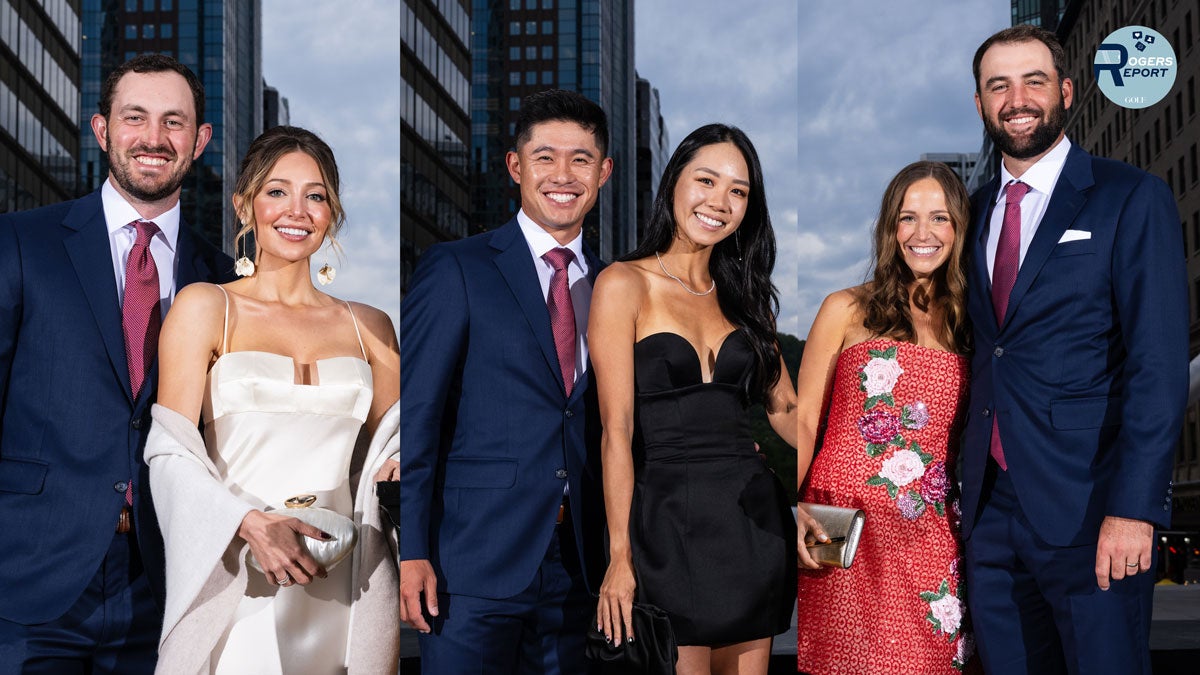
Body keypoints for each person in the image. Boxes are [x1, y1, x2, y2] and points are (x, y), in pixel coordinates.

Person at [960, 25, 1186, 675]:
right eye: (998, 85)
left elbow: (1159, 365)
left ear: (1065, 91)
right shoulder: (968, 213)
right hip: (990, 515)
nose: (1017, 98)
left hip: (1094, 509)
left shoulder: (1130, 197)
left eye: (1033, 80)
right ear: (979, 104)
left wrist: (1134, 508)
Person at [0, 54, 233, 672]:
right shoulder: (22, 244)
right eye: (136, 118)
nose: (154, 139)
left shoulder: (226, 281)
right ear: (103, 130)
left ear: (200, 141)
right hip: (29, 582)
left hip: (164, 585)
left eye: (174, 122)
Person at [144, 125, 401, 673]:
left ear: (333, 212)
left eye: (316, 196)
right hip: (237, 574)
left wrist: (402, 465)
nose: (298, 211)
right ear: (245, 205)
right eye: (277, 191)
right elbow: (170, 451)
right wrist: (247, 524)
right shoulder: (205, 306)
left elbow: (394, 452)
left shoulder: (371, 326)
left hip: (346, 577)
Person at [399, 89, 611, 674]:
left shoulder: (619, 286)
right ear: (516, 167)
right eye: (545, 157)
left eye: (580, 159)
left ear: (604, 172)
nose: (563, 175)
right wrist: (412, 549)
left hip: (583, 567)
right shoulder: (457, 266)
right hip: (472, 564)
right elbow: (419, 417)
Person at [590, 123, 798, 675]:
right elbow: (615, 430)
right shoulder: (622, 284)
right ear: (673, 182)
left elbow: (787, 411)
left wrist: (850, 475)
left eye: (738, 191)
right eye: (706, 180)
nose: (720, 201)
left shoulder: (747, 297)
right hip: (665, 524)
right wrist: (618, 557)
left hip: (752, 521)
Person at [794, 161, 976, 674]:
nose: (923, 233)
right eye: (907, 217)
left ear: (959, 229)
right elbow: (806, 417)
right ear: (889, 229)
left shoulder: (971, 326)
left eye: (939, 218)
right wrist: (800, 510)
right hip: (842, 531)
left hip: (931, 540)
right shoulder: (845, 308)